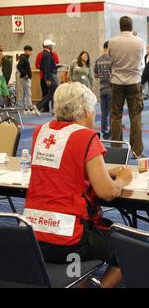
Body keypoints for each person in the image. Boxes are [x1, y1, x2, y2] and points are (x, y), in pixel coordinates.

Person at [23, 82, 133, 288]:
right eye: (92, 109)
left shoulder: (41, 132)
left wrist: (100, 172)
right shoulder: (85, 136)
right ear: (84, 110)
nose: (94, 115)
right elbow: (107, 192)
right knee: (131, 250)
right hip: (68, 239)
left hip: (32, 235)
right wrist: (122, 180)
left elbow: (63, 170)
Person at [108, 16, 145, 158]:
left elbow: (111, 60)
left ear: (120, 26)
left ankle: (117, 150)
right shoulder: (139, 41)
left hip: (117, 82)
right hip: (134, 82)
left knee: (116, 116)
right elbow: (140, 60)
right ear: (131, 26)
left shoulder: (112, 41)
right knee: (135, 116)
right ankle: (136, 151)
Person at [94, 41, 113, 140]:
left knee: (104, 113)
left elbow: (95, 75)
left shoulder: (98, 60)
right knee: (112, 112)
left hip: (102, 88)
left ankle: (104, 131)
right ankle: (111, 131)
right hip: (111, 88)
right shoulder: (112, 59)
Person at [35, 41, 60, 112]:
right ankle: (38, 106)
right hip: (51, 76)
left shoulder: (44, 54)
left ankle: (53, 109)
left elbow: (43, 66)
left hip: (49, 75)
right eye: (51, 45)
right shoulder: (47, 54)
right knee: (52, 93)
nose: (52, 46)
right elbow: (47, 67)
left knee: (52, 93)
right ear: (48, 46)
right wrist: (49, 79)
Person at [17, 45, 40, 116]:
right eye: (30, 51)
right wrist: (25, 74)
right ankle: (30, 108)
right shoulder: (23, 58)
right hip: (25, 78)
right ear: (26, 51)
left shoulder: (24, 58)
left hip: (25, 78)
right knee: (28, 93)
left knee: (25, 93)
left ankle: (25, 108)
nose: (31, 53)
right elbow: (18, 66)